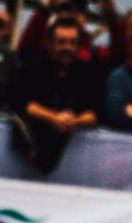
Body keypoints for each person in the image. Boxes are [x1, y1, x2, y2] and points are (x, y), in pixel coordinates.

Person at [12, 14, 102, 172]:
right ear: (49, 43)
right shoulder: (34, 68)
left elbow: (95, 112)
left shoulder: (88, 73)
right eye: (61, 42)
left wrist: (75, 122)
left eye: (72, 43)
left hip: (73, 161)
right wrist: (53, 118)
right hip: (30, 150)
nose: (67, 48)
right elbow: (22, 102)